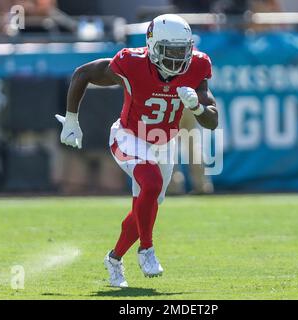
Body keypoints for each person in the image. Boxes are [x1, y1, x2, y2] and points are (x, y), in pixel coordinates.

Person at [55, 14, 218, 287]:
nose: (178, 58)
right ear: (153, 47)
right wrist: (71, 119)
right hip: (129, 136)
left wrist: (197, 107)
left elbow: (212, 121)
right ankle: (147, 249)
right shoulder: (131, 63)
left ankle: (115, 258)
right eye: (171, 51)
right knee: (151, 184)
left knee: (146, 206)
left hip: (165, 142)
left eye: (183, 50)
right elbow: (83, 73)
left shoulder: (198, 65)